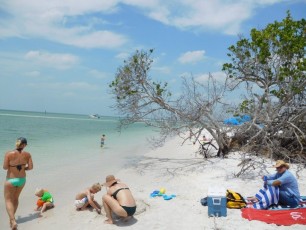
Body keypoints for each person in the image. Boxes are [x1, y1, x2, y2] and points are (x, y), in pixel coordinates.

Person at [3, 137, 33, 230]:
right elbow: (31, 167)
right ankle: (12, 219)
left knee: (8, 200)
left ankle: (12, 220)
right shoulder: (27, 154)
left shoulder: (9, 154)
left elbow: (4, 167)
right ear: (24, 145)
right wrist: (24, 168)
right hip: (22, 180)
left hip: (11, 180)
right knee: (15, 198)